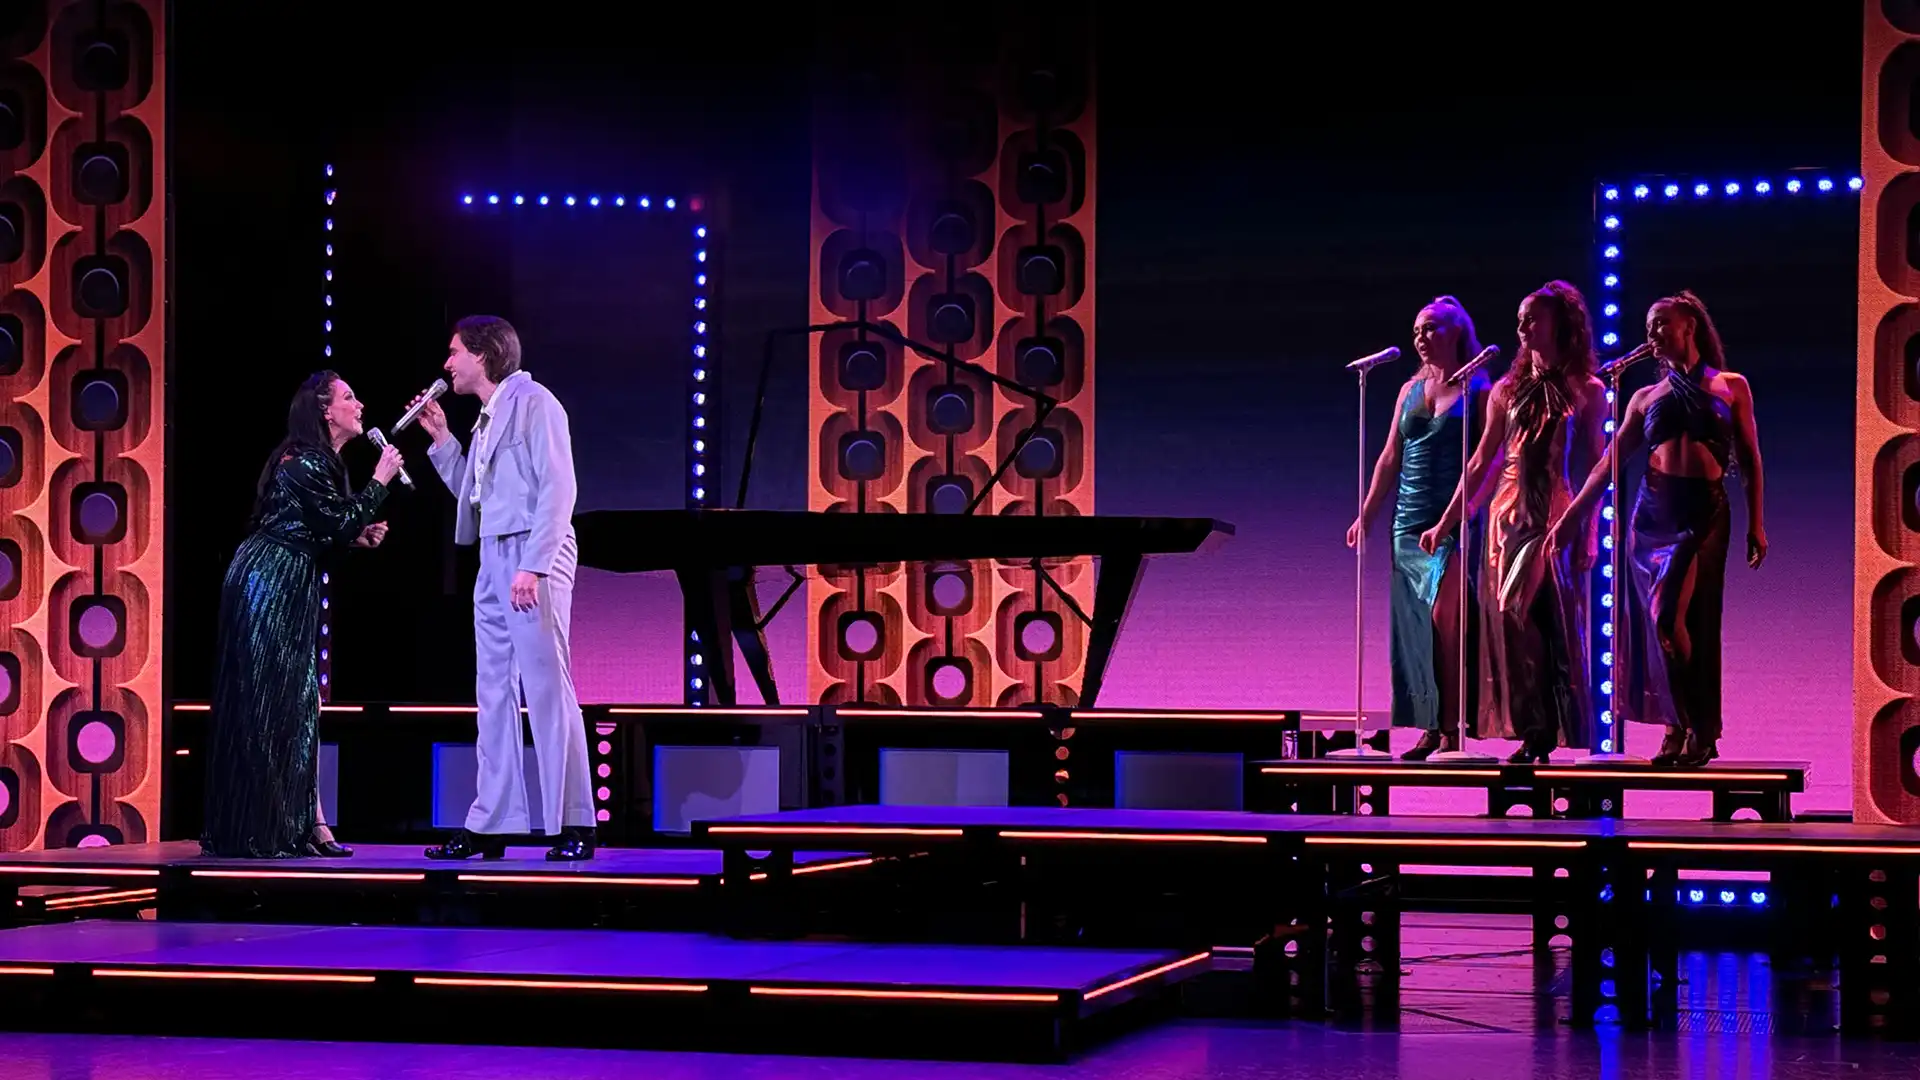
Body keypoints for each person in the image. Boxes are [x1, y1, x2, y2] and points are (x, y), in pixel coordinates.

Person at [1551, 292, 1766, 765]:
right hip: (1653, 515)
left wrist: (1758, 524)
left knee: (1685, 619)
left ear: (1690, 325)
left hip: (1704, 512)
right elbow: (1610, 461)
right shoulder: (1645, 396)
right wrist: (1573, 516)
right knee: (1659, 624)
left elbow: (1750, 459)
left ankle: (1695, 725)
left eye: (1662, 323)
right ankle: (1681, 727)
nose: (1653, 334)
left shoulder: (1731, 386)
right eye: (1649, 326)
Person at [413, 316, 596, 861]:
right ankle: (491, 822)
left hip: (532, 553)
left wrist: (534, 565)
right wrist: (443, 439)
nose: (447, 365)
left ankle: (574, 822)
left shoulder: (537, 402)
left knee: (545, 685)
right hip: (493, 554)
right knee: (492, 691)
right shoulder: (486, 419)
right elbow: (475, 493)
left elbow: (560, 489)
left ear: (483, 354)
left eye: (454, 354)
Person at [201, 371, 402, 858]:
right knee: (274, 703)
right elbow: (332, 523)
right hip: (267, 582)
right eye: (349, 397)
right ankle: (266, 827)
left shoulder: (320, 462)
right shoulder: (306, 461)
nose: (359, 404)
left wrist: (356, 537)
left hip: (288, 578)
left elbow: (323, 530)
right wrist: (380, 482)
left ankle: (307, 822)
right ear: (325, 411)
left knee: (299, 702)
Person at [1422, 281, 1606, 763]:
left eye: (1533, 319)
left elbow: (1595, 466)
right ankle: (1534, 728)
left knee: (1524, 612)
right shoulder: (1505, 389)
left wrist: (1588, 530)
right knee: (1513, 624)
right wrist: (1446, 522)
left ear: (1559, 324)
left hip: (1552, 513)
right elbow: (1482, 459)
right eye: (1521, 319)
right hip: (1505, 516)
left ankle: (1545, 726)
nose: (1523, 328)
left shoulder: (1588, 389)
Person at [1347, 296, 1489, 759]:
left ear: (1455, 332)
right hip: (1406, 522)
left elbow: (1483, 461)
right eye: (1416, 332)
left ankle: (1453, 726)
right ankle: (1431, 727)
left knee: (1444, 619)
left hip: (1450, 517)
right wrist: (1366, 515)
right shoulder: (1409, 389)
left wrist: (1457, 515)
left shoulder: (1478, 387)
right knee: (1414, 626)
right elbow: (1390, 456)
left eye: (1430, 328)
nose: (1421, 338)